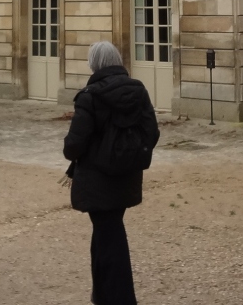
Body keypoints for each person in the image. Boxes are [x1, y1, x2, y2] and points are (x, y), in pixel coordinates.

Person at [62, 41, 160, 305]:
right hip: (126, 176)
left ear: (94, 64)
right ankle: (102, 294)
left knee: (110, 237)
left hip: (98, 180)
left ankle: (121, 298)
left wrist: (96, 154)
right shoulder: (138, 90)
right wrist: (128, 155)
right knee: (105, 233)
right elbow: (152, 133)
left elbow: (74, 146)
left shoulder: (90, 96)